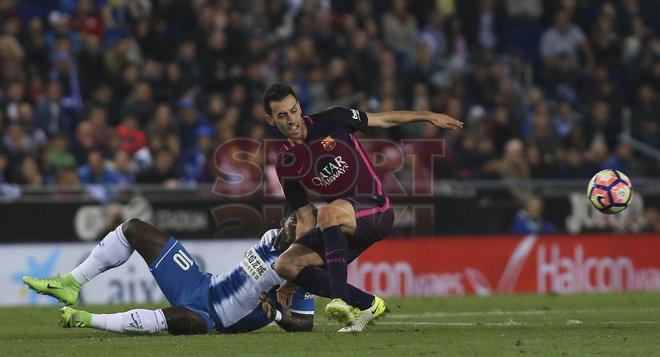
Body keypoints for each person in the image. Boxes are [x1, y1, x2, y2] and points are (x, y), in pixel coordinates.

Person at [263, 83, 462, 332]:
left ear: (299, 106)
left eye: (293, 110)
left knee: (327, 212)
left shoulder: (333, 119)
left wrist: (428, 116)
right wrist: (297, 276)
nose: (291, 119)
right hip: (338, 224)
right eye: (282, 115)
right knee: (285, 264)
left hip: (375, 210)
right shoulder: (286, 164)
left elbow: (383, 120)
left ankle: (340, 300)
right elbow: (304, 218)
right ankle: (368, 304)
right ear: (270, 119)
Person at [22, 214, 314, 335]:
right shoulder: (270, 236)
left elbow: (306, 323)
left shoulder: (303, 269)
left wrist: (276, 317)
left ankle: (86, 320)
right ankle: (71, 283)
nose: (292, 225)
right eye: (294, 219)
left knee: (176, 319)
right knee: (134, 228)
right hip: (200, 283)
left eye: (301, 225)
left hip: (211, 320)